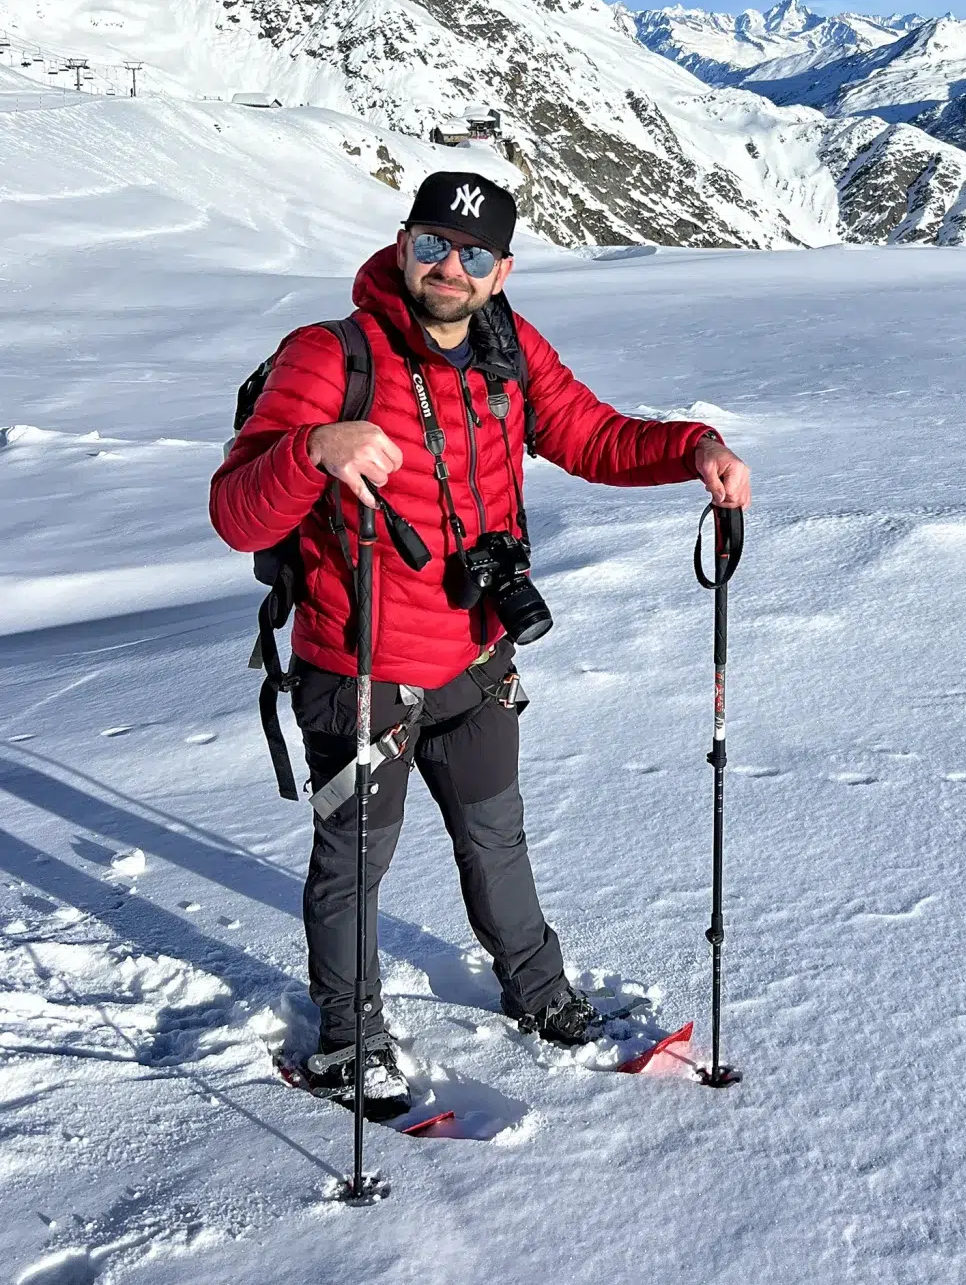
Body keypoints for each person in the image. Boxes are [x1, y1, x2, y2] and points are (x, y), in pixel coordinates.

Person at [210, 170, 750, 1116]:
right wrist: (311, 452)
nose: (446, 269)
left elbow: (593, 437)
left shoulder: (508, 346)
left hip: (476, 656)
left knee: (496, 840)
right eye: (430, 245)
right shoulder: (328, 357)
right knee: (355, 865)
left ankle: (539, 994)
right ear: (402, 243)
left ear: (501, 272)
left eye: (470, 255)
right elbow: (236, 513)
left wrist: (693, 449)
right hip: (361, 672)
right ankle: (349, 1037)